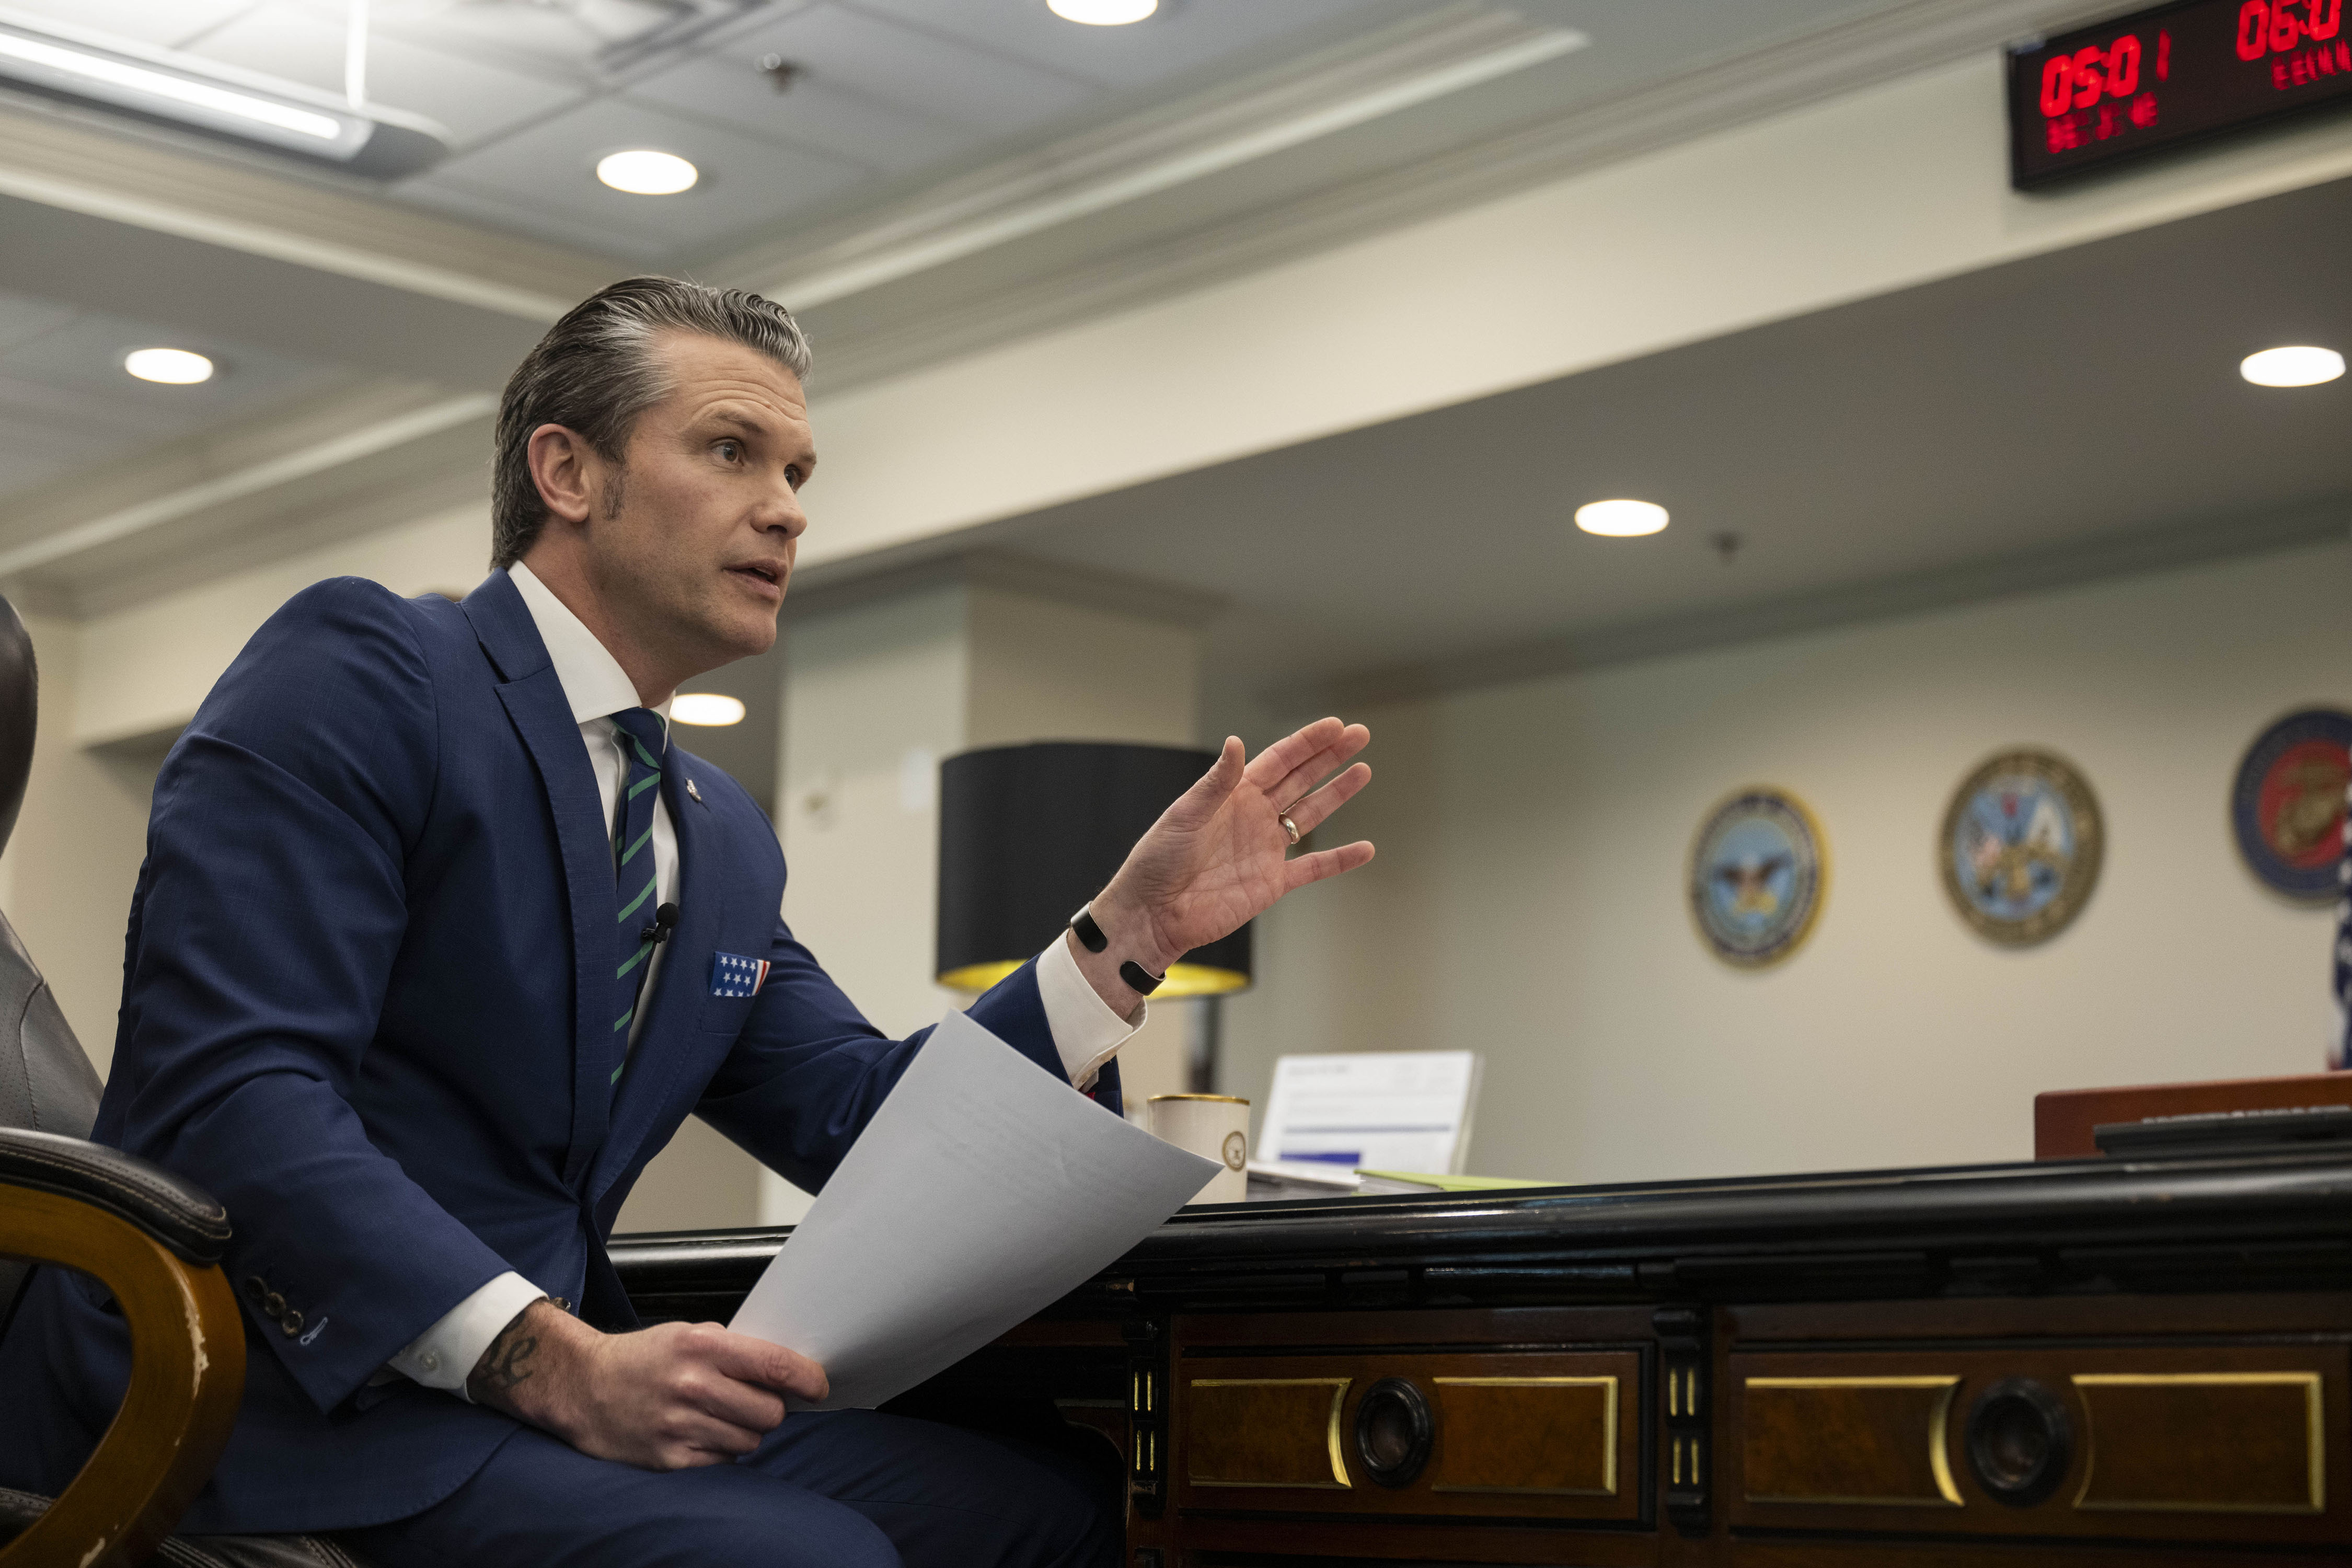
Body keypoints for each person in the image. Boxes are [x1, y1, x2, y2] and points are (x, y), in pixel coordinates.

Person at [0, 278, 1374, 1567]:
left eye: (796, 476)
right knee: (804, 1559)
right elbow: (238, 1095)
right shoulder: (368, 670)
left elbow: (859, 1120)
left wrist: (1119, 940)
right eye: (730, 452)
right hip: (282, 1403)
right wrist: (550, 1360)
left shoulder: (711, 831)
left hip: (531, 1398)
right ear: (568, 473)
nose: (784, 510)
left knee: (1059, 1515)